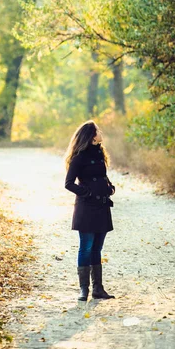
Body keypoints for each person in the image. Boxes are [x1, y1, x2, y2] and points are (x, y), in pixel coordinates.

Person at [64, 120, 116, 301]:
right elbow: (68, 184)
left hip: (102, 206)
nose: (100, 132)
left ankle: (98, 289)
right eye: (98, 131)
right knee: (85, 247)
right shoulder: (79, 157)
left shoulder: (100, 153)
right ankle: (84, 290)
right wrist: (87, 193)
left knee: (97, 248)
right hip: (86, 208)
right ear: (92, 136)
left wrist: (109, 186)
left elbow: (101, 175)